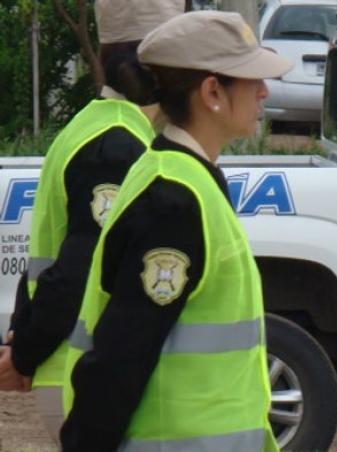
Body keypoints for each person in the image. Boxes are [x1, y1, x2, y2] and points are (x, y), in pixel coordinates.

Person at [60, 11, 293, 452]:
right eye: (252, 79)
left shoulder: (181, 179)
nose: (264, 91)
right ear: (212, 92)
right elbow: (119, 358)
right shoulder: (173, 201)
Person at [0, 0, 184, 443]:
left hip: (80, 371)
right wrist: (24, 353)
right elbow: (77, 270)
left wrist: (23, 341)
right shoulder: (115, 147)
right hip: (84, 375)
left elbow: (50, 254)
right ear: (154, 67)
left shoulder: (95, 126)